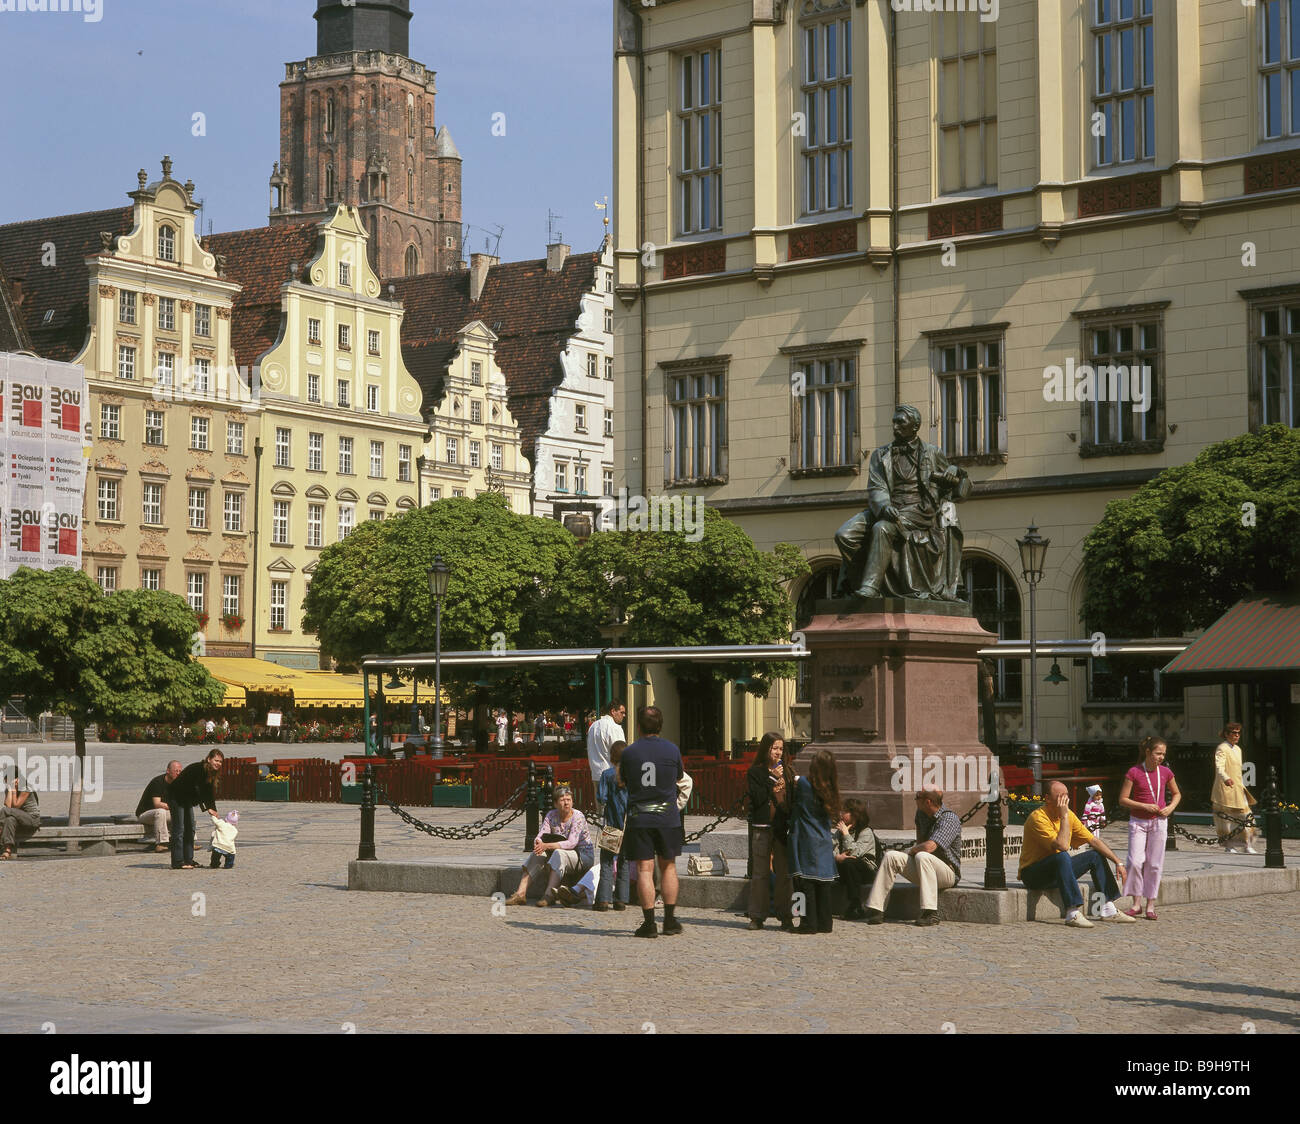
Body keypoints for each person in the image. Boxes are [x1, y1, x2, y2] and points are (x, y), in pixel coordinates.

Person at [833, 403, 971, 604]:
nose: (895, 427)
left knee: (882, 529)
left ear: (915, 426)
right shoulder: (881, 455)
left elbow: (961, 493)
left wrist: (957, 473)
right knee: (843, 535)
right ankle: (860, 581)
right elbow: (876, 487)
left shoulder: (932, 453)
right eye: (894, 422)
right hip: (886, 507)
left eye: (901, 422)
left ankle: (870, 587)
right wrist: (884, 506)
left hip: (919, 510)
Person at [1017, 781, 1135, 928]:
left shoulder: (1068, 815)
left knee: (1095, 855)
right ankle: (1072, 912)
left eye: (1067, 795)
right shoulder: (1038, 818)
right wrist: (1064, 815)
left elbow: (1093, 841)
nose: (1065, 800)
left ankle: (1108, 909)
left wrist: (1118, 862)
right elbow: (1063, 846)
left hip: (1057, 869)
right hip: (1033, 874)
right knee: (1062, 855)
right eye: (1061, 796)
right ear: (1047, 798)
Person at [620, 705, 685, 937]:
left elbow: (623, 780)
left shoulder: (628, 753)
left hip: (640, 817)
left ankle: (649, 923)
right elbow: (679, 777)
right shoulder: (672, 749)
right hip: (667, 817)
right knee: (668, 866)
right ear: (660, 726)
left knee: (644, 870)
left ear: (638, 726)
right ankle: (669, 920)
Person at [865, 788, 961, 927]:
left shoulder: (949, 819)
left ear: (927, 802)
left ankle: (930, 912)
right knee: (891, 856)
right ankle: (876, 909)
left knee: (923, 855)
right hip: (924, 867)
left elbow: (929, 847)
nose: (915, 800)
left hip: (947, 873)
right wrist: (914, 852)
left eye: (917, 797)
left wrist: (913, 850)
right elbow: (921, 842)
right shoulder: (921, 814)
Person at [1118, 736, 1181, 920]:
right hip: (1138, 821)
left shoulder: (1166, 772)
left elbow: (1177, 794)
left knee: (1154, 864)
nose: (1161, 757)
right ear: (1148, 752)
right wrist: (1143, 806)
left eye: (1163, 754)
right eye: (1158, 753)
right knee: (1135, 861)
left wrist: (1169, 808)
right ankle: (1136, 903)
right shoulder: (1134, 772)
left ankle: (1150, 904)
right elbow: (1123, 799)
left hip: (1159, 822)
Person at [505, 786, 594, 907]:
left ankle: (549, 895)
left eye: (569, 799)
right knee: (539, 852)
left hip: (582, 855)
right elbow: (541, 834)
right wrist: (538, 842)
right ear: (556, 803)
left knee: (558, 853)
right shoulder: (551, 815)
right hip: (562, 853)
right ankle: (520, 894)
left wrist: (547, 845)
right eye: (562, 800)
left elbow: (571, 843)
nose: (566, 802)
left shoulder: (578, 816)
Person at [787, 749, 841, 934]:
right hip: (824, 839)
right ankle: (825, 923)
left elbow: (796, 783)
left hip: (804, 837)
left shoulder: (804, 784)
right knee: (823, 885)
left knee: (801, 882)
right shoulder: (831, 788)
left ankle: (805, 923)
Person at [746, 733, 795, 931]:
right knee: (760, 874)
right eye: (774, 748)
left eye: (781, 749)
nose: (778, 752)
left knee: (785, 873)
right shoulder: (755, 772)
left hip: (782, 828)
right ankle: (757, 916)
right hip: (762, 827)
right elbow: (757, 799)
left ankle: (786, 915)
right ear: (766, 749)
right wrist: (771, 778)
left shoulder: (789, 771)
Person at [168, 749, 224, 870]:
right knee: (179, 829)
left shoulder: (211, 773)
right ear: (209, 759)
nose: (218, 763)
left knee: (190, 828)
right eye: (216, 760)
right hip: (176, 797)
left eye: (220, 761)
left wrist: (213, 809)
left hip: (186, 799)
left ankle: (188, 859)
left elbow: (209, 792)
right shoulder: (200, 769)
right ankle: (177, 861)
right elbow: (199, 790)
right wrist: (207, 808)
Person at [1211, 722, 1258, 854]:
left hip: (1238, 787)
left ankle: (1247, 844)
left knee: (1246, 816)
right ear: (1226, 734)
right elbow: (1219, 766)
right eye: (1234, 733)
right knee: (1226, 819)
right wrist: (1226, 778)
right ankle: (1229, 845)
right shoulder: (1222, 748)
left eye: (1238, 733)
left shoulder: (1238, 749)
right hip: (1225, 789)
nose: (1237, 735)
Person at [595, 740, 631, 912]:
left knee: (607, 861)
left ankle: (603, 899)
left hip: (611, 825)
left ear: (612, 757)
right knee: (624, 862)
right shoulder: (632, 776)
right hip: (628, 826)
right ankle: (621, 900)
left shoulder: (607, 774)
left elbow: (601, 797)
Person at [834, 798, 880, 920]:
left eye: (844, 811)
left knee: (850, 862)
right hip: (847, 869)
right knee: (844, 863)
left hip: (865, 871)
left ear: (854, 814)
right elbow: (830, 848)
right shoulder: (840, 832)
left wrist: (846, 835)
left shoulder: (866, 832)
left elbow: (856, 853)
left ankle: (855, 905)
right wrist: (837, 857)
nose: (841, 814)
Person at [135, 759, 182, 853]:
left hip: (165, 812)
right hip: (146, 814)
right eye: (176, 771)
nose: (178, 774)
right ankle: (161, 843)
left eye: (180, 771)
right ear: (168, 771)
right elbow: (157, 804)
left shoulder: (178, 784)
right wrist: (174, 807)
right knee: (160, 811)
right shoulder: (158, 782)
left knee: (184, 812)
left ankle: (188, 841)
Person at [0, 767, 40, 859]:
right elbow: (9, 806)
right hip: (18, 818)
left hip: (31, 819)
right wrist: (10, 790)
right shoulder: (9, 788)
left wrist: (13, 790)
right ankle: (7, 850)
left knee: (4, 810)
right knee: (9, 820)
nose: (4, 780)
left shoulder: (26, 788)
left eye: (6, 778)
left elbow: (16, 806)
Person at [586, 699, 627, 788]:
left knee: (599, 801)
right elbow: (620, 753)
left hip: (596, 774)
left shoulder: (593, 726)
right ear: (613, 711)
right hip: (612, 776)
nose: (624, 715)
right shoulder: (614, 728)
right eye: (622, 712)